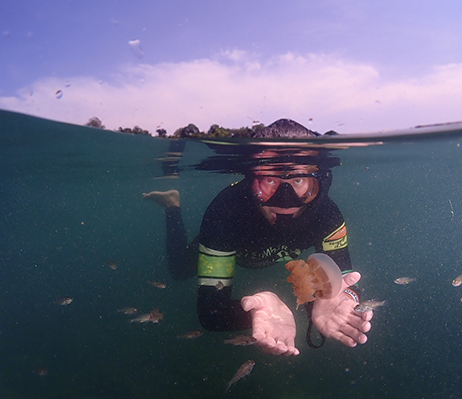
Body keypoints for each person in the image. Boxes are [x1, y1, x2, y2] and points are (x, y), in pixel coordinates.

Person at [143, 119, 373, 356]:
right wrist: (251, 312)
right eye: (270, 180)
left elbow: (347, 279)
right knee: (179, 271)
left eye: (298, 180)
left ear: (317, 182)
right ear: (251, 181)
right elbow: (210, 313)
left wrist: (345, 296)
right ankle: (172, 204)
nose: (285, 200)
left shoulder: (327, 216)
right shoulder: (225, 213)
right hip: (232, 246)